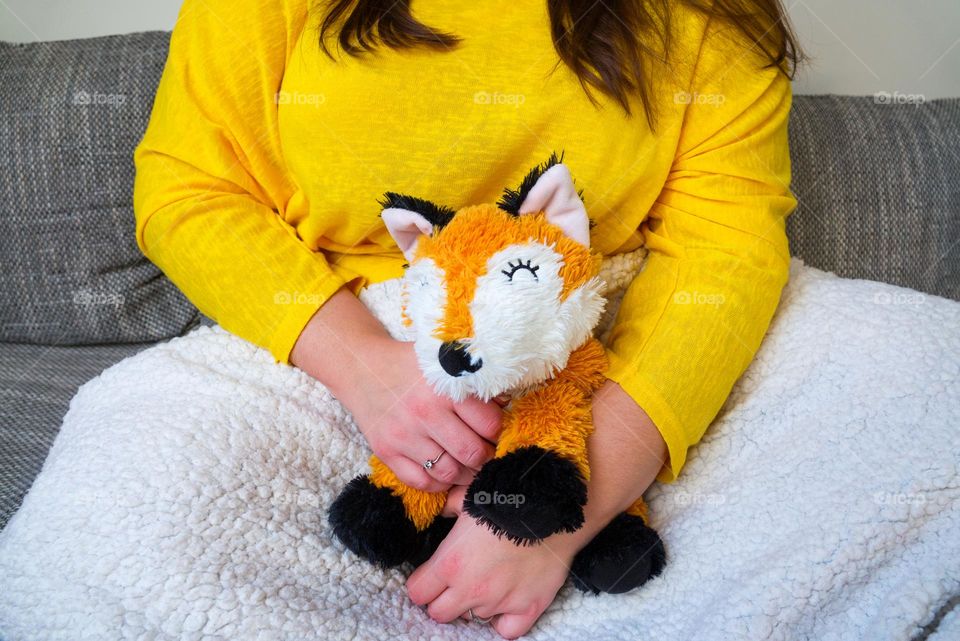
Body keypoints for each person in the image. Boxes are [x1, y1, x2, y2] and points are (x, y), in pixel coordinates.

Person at [133, 0, 804, 637]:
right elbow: (189, 186)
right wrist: (364, 365)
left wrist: (559, 501)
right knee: (138, 543)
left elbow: (726, 245)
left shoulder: (707, 15)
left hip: (606, 350)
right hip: (324, 334)